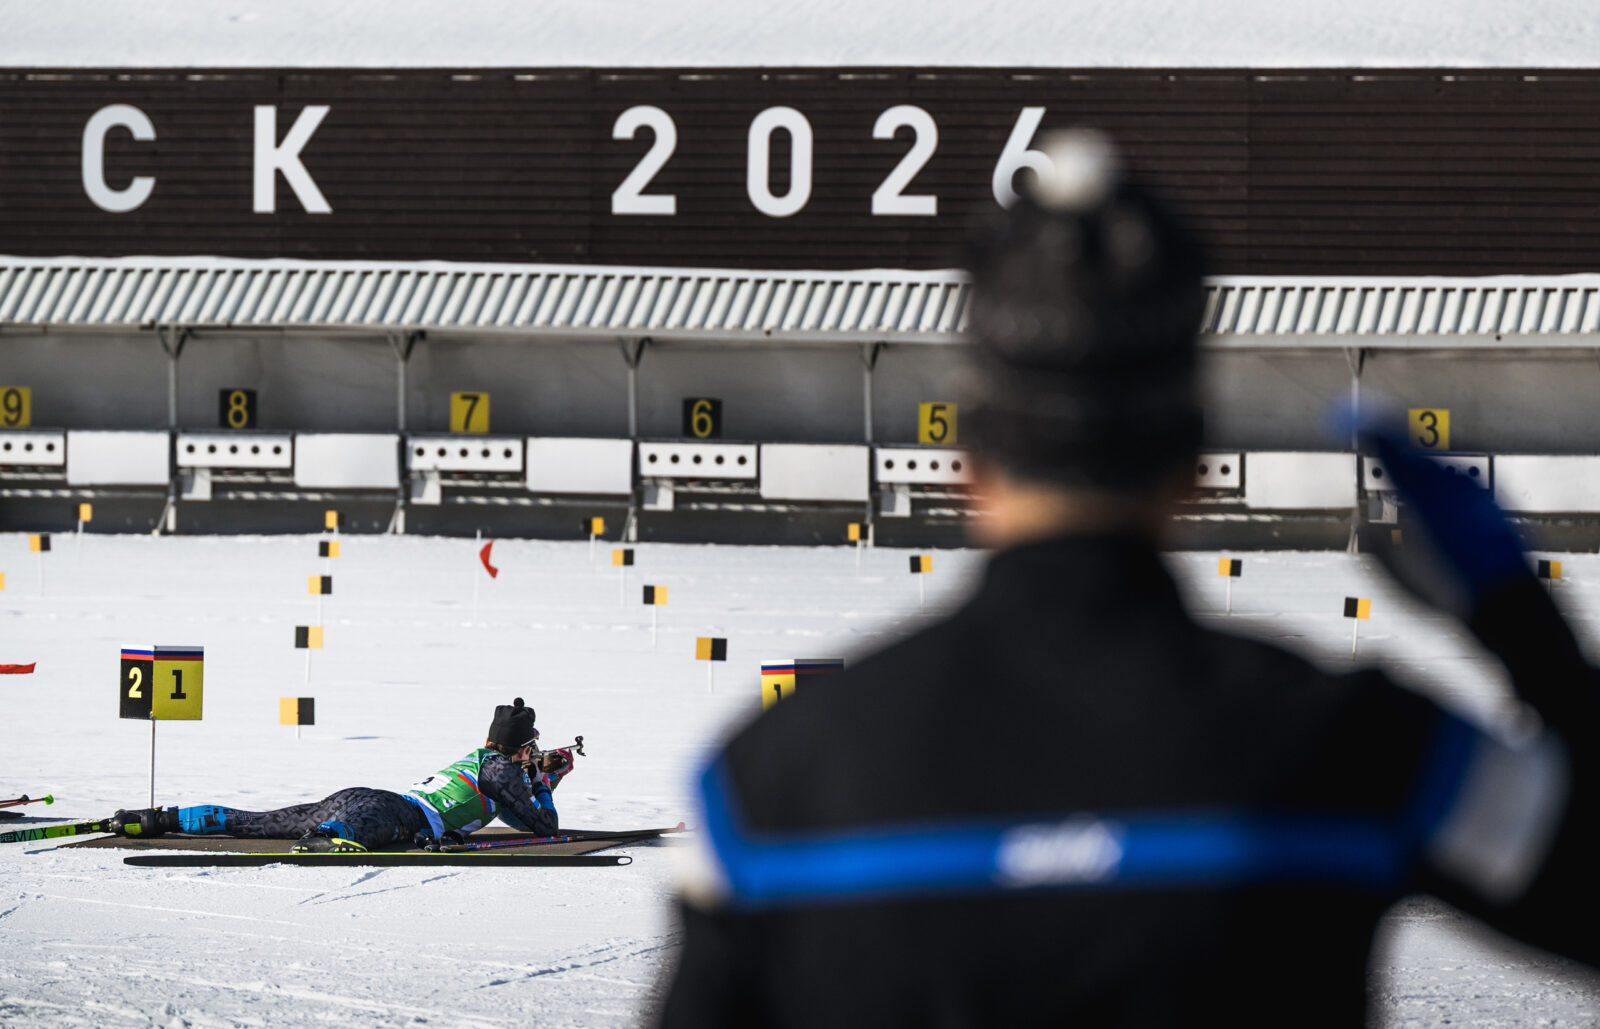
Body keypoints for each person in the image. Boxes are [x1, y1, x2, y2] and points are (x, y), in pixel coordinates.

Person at [656, 132, 1600, 1027]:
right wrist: (1522, 620)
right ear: (1194, 468)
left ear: (965, 467)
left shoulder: (765, 788)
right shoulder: (1358, 744)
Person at [109, 697, 574, 853]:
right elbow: (544, 827)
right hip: (399, 815)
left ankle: (160, 818)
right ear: (520, 746)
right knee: (343, 835)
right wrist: (541, 783)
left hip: (370, 797)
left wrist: (540, 779)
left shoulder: (483, 759)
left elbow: (513, 815)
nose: (535, 752)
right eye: (531, 746)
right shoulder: (503, 771)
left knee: (260, 822)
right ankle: (328, 836)